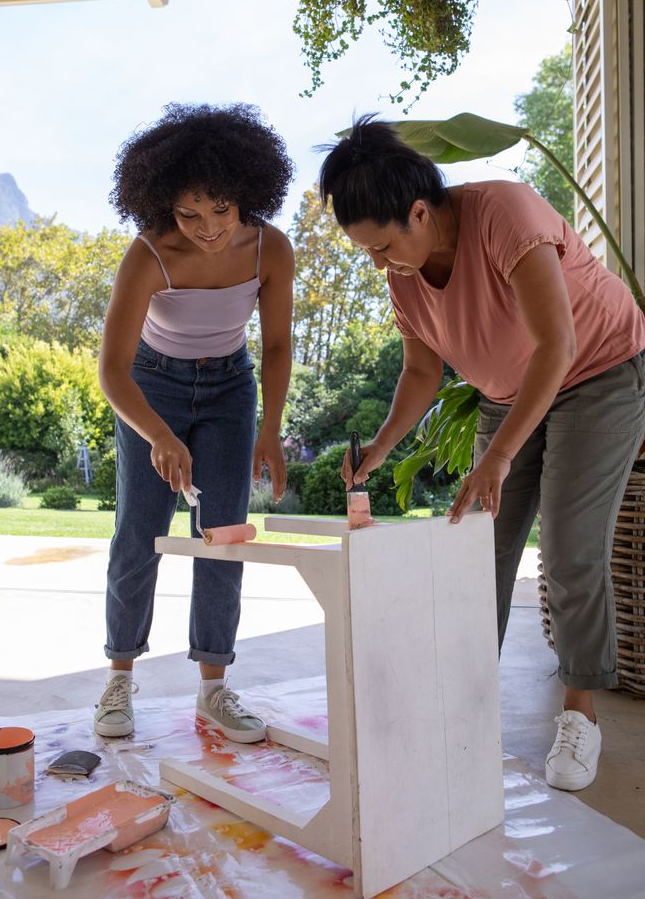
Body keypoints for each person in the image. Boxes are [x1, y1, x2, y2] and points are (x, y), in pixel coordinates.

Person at [320, 115, 645, 792]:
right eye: (367, 253)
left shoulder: (505, 213)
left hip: (598, 374)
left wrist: (497, 457)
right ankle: (461, 703)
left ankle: (581, 713)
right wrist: (380, 446)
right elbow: (420, 371)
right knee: (479, 547)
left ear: (418, 211)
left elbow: (557, 346)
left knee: (568, 547)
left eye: (381, 246)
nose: (378, 264)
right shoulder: (403, 271)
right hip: (506, 391)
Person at [96, 102, 294, 742]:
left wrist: (269, 429)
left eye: (221, 210)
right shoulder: (149, 254)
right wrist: (158, 433)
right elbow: (113, 372)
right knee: (141, 532)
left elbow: (279, 347)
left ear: (246, 195)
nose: (206, 228)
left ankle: (214, 689)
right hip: (153, 384)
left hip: (232, 387)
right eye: (188, 213)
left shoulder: (272, 248)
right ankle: (120, 681)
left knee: (224, 534)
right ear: (162, 208)